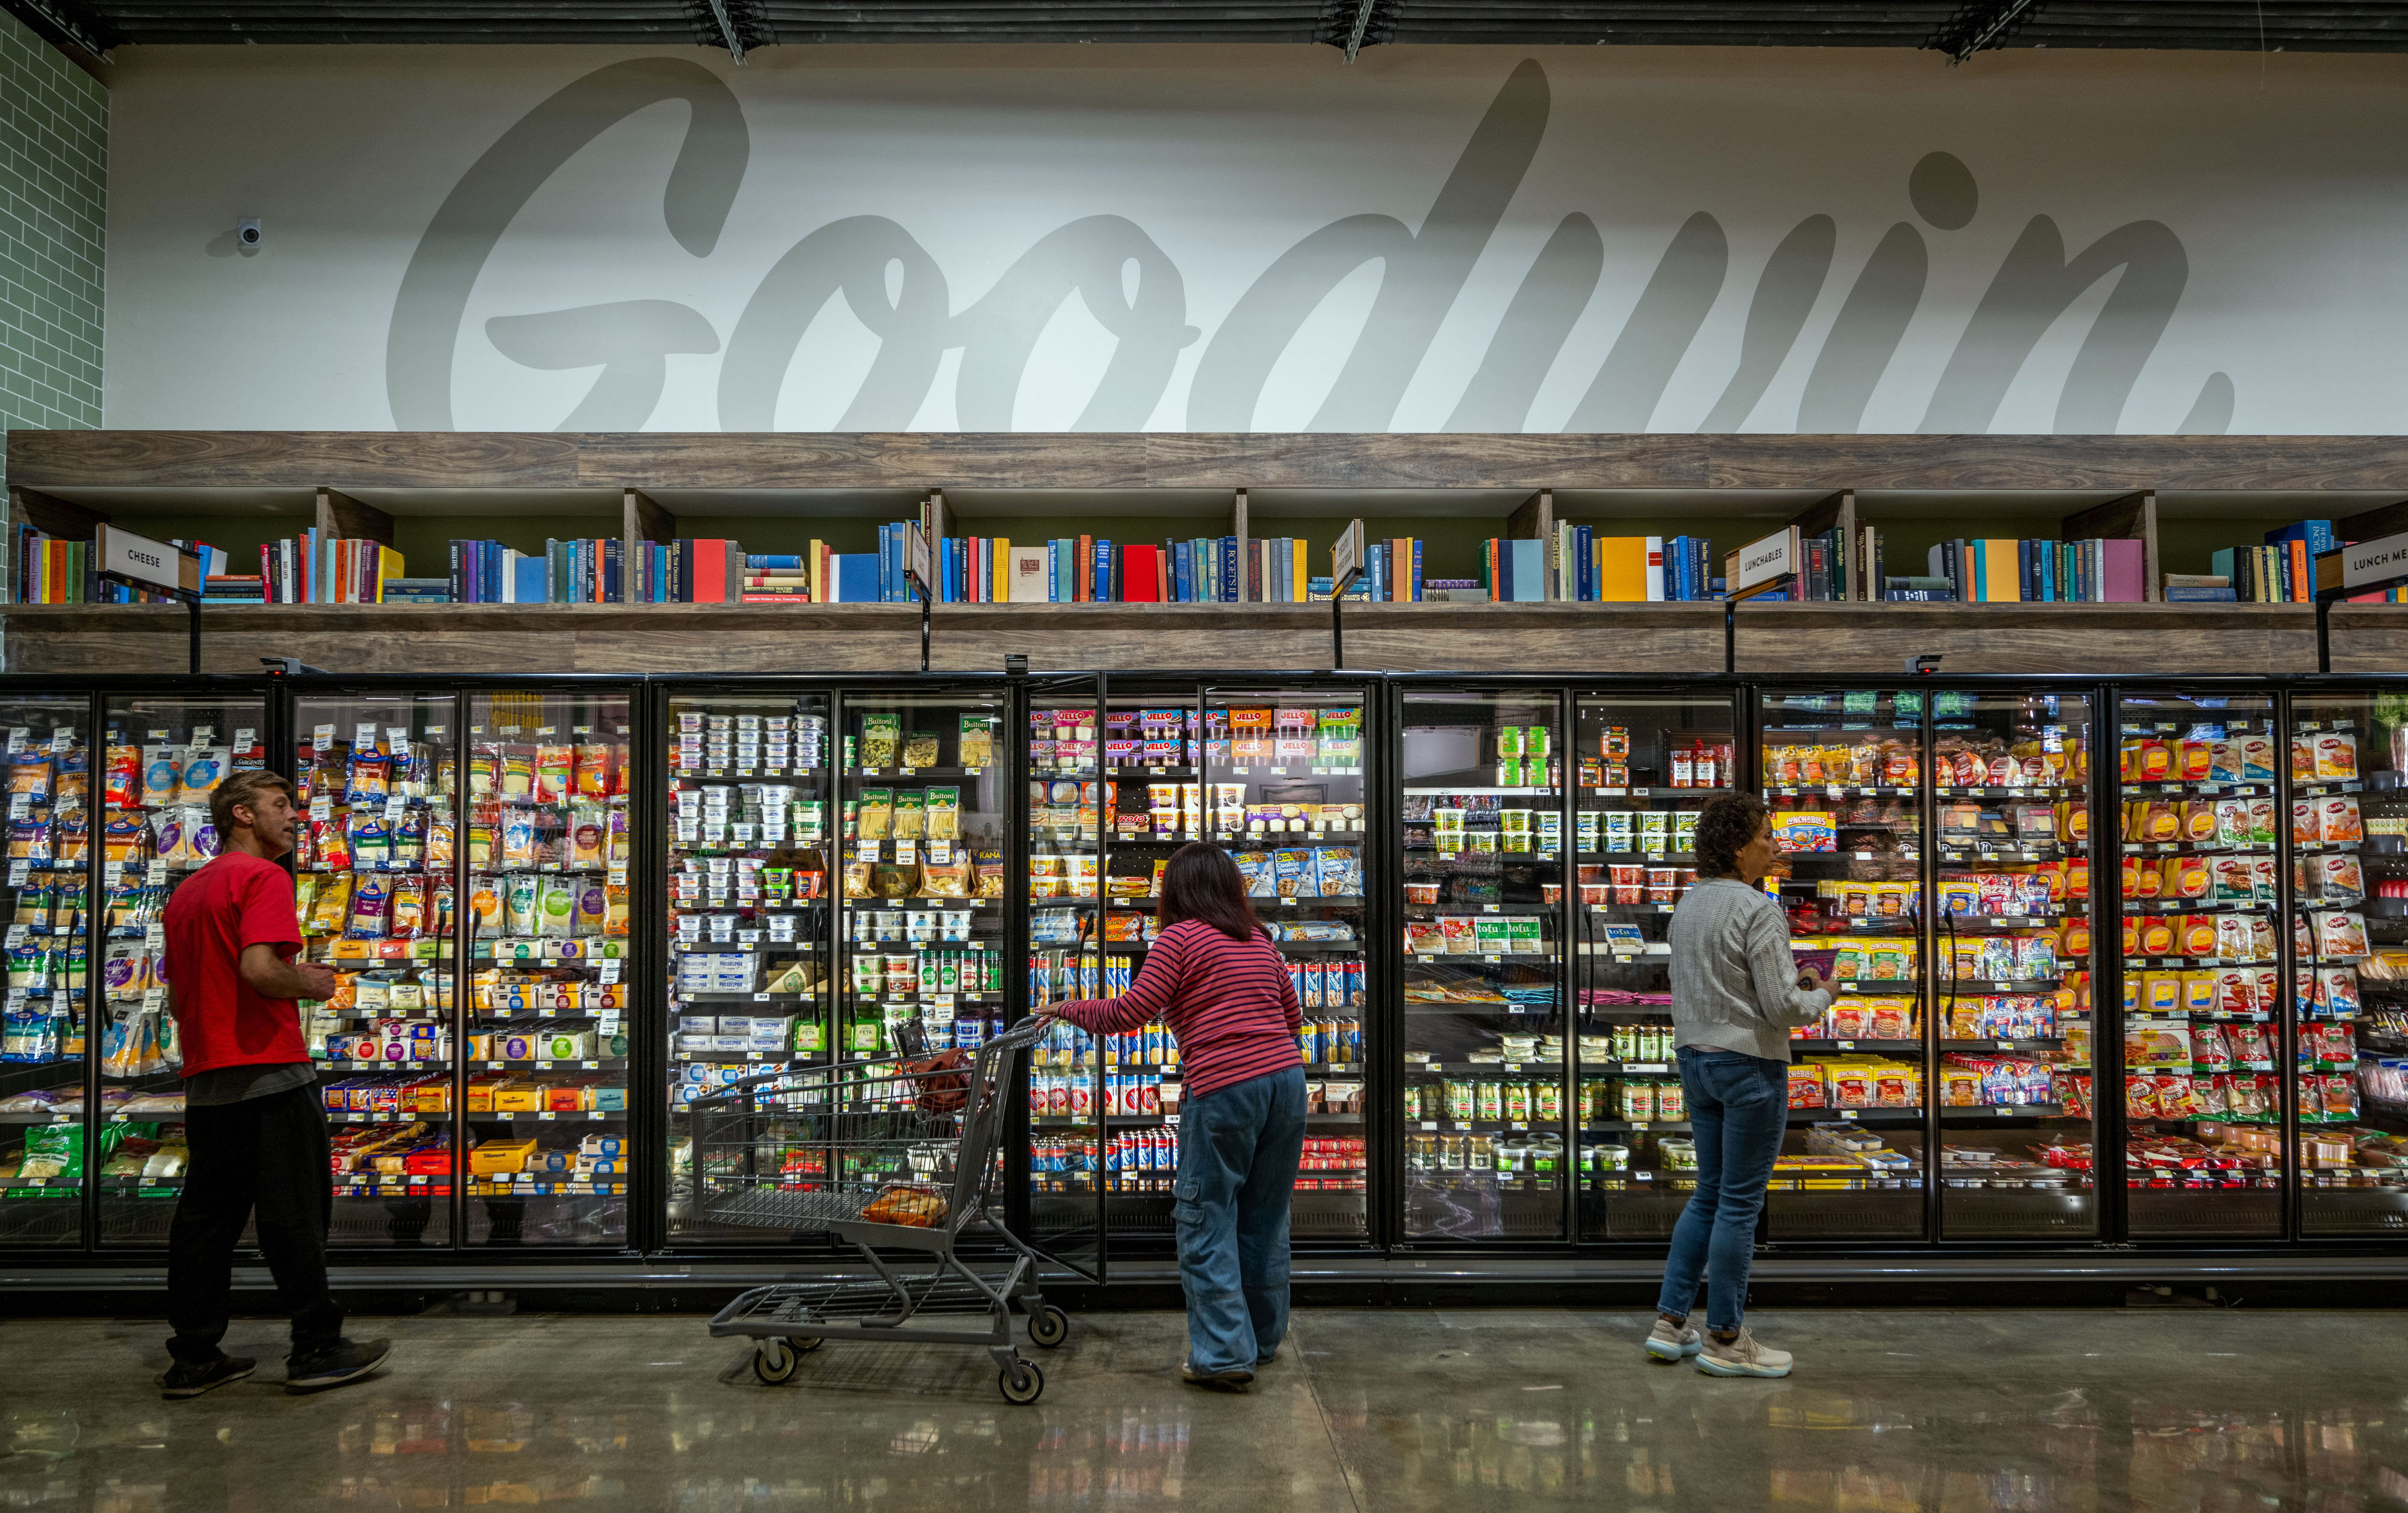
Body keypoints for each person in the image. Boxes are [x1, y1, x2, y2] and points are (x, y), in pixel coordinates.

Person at [158, 767, 392, 1399]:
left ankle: (194, 1356)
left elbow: (179, 994)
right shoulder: (263, 878)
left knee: (206, 1220)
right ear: (242, 814)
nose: (294, 816)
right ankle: (316, 1346)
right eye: (281, 805)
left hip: (208, 1077)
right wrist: (311, 983)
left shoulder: (186, 893)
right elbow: (261, 971)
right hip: (267, 1070)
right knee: (295, 1216)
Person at [1037, 843, 1303, 1390]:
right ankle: (1263, 1338)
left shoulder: (1178, 938)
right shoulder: (1259, 939)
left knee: (1205, 1217)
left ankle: (1226, 1355)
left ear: (1175, 891)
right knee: (1265, 1217)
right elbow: (1293, 1015)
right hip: (1286, 1082)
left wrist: (1062, 1008)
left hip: (1226, 1086)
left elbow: (1129, 1011)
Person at [1646, 791, 1829, 1379]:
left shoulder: (1688, 905)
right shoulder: (1758, 909)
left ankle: (1669, 1323)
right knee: (1738, 1204)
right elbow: (1781, 1008)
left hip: (1695, 1061)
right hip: (1749, 1064)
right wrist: (1826, 992)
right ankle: (1726, 1338)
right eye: (1765, 837)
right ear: (1736, 846)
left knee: (1708, 1193)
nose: (1774, 846)